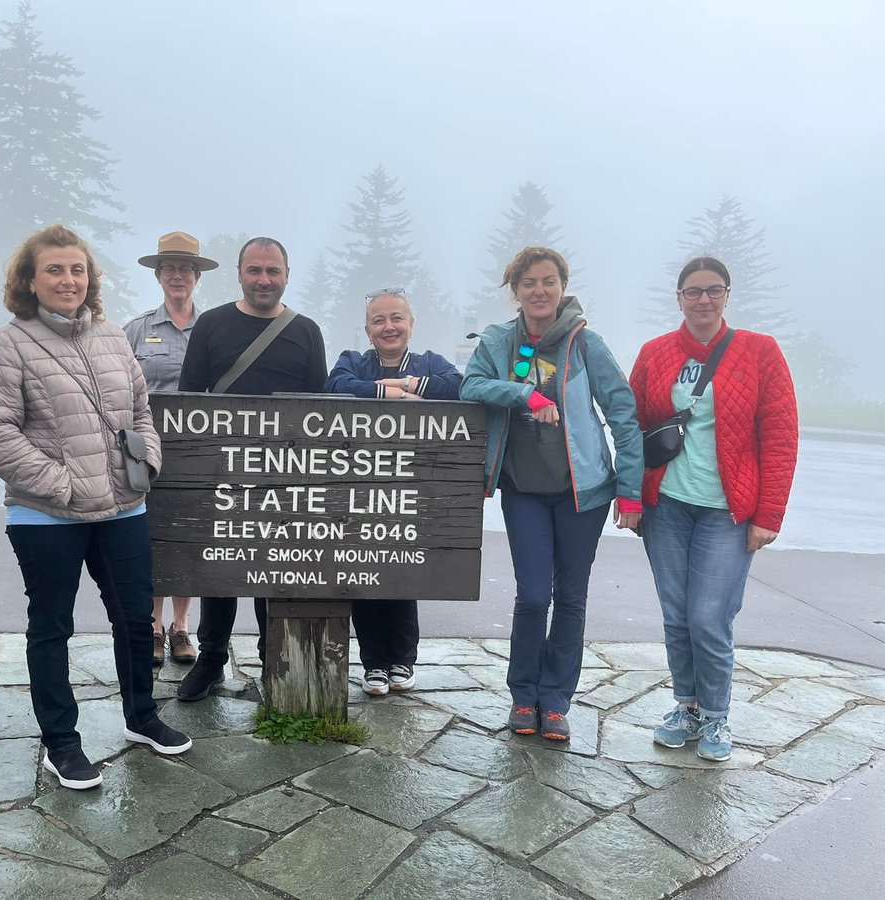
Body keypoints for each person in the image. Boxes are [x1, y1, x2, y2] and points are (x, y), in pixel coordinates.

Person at [0, 224, 191, 790]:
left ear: (89, 278)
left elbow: (141, 410)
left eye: (77, 269)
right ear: (29, 279)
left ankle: (142, 716)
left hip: (123, 506)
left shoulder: (115, 337)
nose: (69, 279)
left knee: (134, 616)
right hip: (47, 514)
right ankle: (61, 742)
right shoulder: (9, 344)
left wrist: (149, 462)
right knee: (52, 627)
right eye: (54, 269)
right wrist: (61, 484)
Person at [460, 246, 643, 741]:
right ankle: (524, 695)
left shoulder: (586, 344)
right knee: (533, 594)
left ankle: (556, 700)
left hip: (583, 492)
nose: (539, 291)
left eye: (548, 282)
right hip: (524, 490)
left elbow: (622, 414)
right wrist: (525, 393)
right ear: (515, 291)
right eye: (528, 283)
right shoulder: (499, 342)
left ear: (563, 287)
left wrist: (630, 491)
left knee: (571, 596)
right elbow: (471, 387)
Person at [631, 256, 798, 762]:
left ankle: (717, 714)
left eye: (713, 290)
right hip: (668, 507)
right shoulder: (656, 353)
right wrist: (632, 498)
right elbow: (631, 428)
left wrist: (769, 514)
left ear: (727, 295)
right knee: (677, 616)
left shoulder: (759, 351)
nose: (703, 299)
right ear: (679, 298)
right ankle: (686, 706)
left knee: (709, 617)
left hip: (728, 512)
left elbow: (781, 434)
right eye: (693, 291)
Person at [175, 236, 327, 702]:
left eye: (273, 271)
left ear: (286, 275)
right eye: (255, 270)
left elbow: (319, 412)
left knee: (274, 574)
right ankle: (210, 660)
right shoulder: (212, 325)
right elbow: (188, 402)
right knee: (216, 576)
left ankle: (271, 660)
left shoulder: (307, 332)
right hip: (221, 475)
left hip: (283, 480)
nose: (264, 279)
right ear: (240, 273)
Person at [325, 288, 462, 695]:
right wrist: (387, 393)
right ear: (367, 330)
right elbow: (335, 386)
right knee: (364, 572)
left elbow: (457, 385)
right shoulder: (353, 361)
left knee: (402, 572)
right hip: (359, 485)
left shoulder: (429, 364)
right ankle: (373, 664)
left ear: (411, 324)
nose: (389, 327)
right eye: (379, 320)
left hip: (410, 485)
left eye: (396, 318)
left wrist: (414, 383)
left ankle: (402, 660)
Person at [124, 232, 218, 667]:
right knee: (153, 538)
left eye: (186, 268)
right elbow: (118, 389)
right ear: (158, 276)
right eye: (169, 268)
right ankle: (152, 626)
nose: (177, 275)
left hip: (199, 455)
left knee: (191, 539)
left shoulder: (214, 328)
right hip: (149, 453)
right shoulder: (138, 329)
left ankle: (182, 628)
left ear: (197, 276)